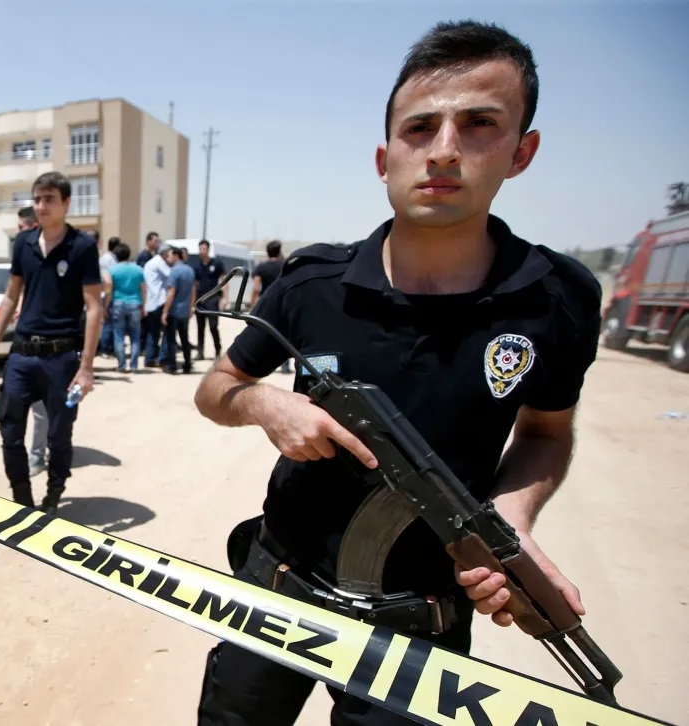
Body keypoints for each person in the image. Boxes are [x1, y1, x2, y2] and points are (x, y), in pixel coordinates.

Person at [193, 21, 602, 724]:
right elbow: (216, 388)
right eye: (420, 128)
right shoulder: (312, 283)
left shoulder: (557, 299)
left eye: (478, 124)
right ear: (385, 159)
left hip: (422, 626)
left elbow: (545, 432)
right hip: (276, 591)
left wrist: (508, 524)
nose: (443, 150)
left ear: (521, 152)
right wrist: (266, 405)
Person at [0, 171, 102, 513]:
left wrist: (86, 368)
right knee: (9, 429)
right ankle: (22, 499)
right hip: (21, 355)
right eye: (38, 199)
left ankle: (52, 497)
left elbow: (94, 307)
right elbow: (10, 296)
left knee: (58, 436)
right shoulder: (23, 243)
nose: (42, 206)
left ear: (66, 203)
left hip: (61, 358)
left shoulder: (82, 247)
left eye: (50, 199)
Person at [15, 205, 51, 478]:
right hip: (25, 342)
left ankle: (38, 456)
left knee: (42, 406)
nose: (18, 233)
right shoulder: (25, 254)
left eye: (21, 228)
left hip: (50, 344)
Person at [249, 240, 292, 373]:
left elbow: (256, 288)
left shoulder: (261, 267)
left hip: (267, 304)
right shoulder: (286, 265)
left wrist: (253, 306)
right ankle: (285, 365)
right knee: (284, 335)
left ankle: (263, 364)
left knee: (265, 333)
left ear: (267, 252)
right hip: (285, 303)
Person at [107, 242, 145, 372]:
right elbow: (143, 289)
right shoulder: (138, 269)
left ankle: (121, 365)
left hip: (118, 303)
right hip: (135, 303)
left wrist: (106, 307)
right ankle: (134, 365)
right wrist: (143, 305)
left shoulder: (112, 270)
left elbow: (109, 290)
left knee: (119, 336)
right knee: (135, 337)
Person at [161, 246, 197, 373]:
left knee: (171, 339)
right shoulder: (190, 270)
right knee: (184, 338)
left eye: (170, 256)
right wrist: (191, 307)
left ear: (176, 256)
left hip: (174, 311)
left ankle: (172, 366)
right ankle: (187, 364)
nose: (169, 258)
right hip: (185, 311)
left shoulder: (174, 271)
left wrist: (165, 311)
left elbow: (171, 292)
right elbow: (193, 291)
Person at [192, 239, 224, 360]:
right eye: (200, 249)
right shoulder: (197, 266)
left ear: (208, 250)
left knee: (213, 326)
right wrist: (193, 303)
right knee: (200, 327)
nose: (202, 251)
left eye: (204, 248)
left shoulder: (217, 263)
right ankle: (200, 352)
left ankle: (217, 351)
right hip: (200, 300)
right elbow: (194, 285)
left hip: (213, 299)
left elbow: (224, 281)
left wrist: (224, 298)